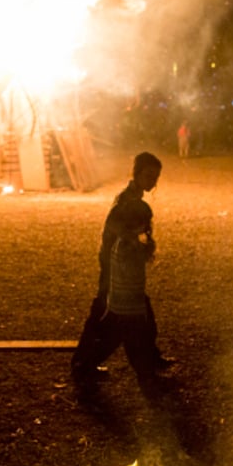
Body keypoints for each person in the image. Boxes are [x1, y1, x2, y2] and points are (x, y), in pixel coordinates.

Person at [71, 152, 169, 395]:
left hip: (118, 265)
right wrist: (119, 265)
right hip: (115, 268)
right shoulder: (126, 202)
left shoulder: (133, 197)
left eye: (156, 177)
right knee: (108, 320)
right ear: (136, 173)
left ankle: (148, 361)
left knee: (135, 318)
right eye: (149, 175)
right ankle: (83, 364)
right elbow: (115, 235)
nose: (153, 181)